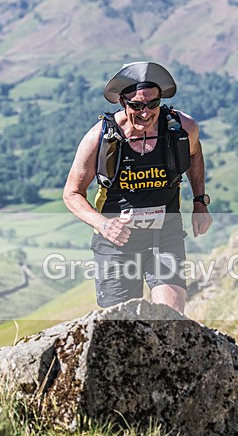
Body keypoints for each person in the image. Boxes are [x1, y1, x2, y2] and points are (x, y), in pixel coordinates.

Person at [63, 62, 212, 313]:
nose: (146, 112)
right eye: (136, 105)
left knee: (170, 319)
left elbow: (195, 154)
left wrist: (200, 202)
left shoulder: (181, 129)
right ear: (123, 102)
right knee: (121, 329)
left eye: (153, 104)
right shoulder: (100, 138)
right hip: (116, 244)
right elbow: (72, 193)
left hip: (165, 236)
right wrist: (103, 225)